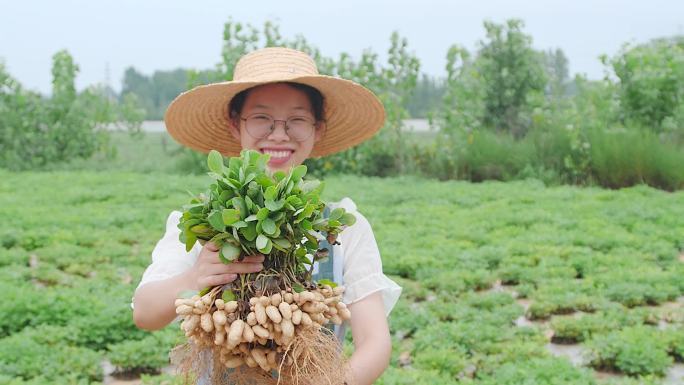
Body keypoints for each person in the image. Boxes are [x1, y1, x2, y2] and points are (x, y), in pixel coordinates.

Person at [132, 47, 402, 385]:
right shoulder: (202, 222)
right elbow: (144, 313)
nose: (278, 134)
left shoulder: (345, 226)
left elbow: (375, 343)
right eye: (261, 118)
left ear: (317, 128)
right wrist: (195, 278)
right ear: (235, 125)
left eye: (297, 119)